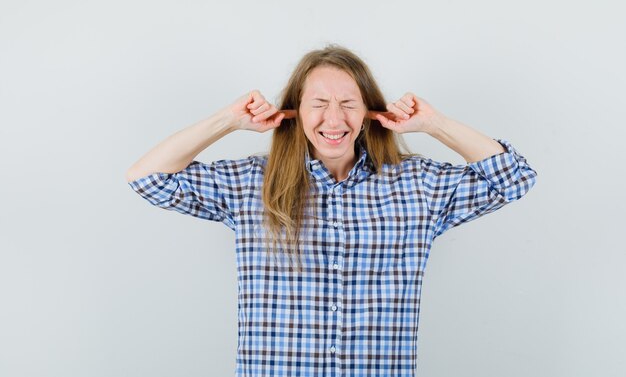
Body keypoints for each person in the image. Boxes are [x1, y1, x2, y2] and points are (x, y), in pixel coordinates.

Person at [126, 44, 537, 377]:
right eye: (318, 103)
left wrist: (434, 125)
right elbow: (146, 177)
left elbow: (515, 178)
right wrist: (227, 120)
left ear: (370, 113)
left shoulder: (418, 185)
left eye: (348, 103)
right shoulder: (251, 184)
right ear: (295, 112)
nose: (334, 118)